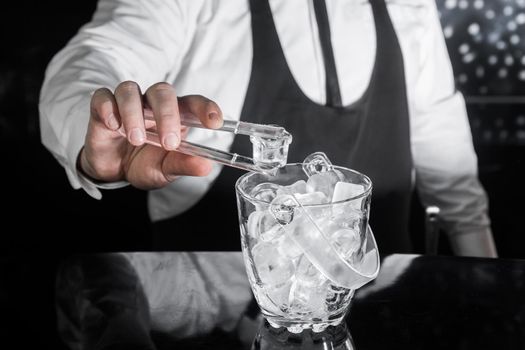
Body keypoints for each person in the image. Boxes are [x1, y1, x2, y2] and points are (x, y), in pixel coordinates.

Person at [39, 0, 497, 257]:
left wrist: (483, 275)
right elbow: (96, 57)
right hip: (210, 324)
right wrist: (100, 120)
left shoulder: (408, 6)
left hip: (385, 312)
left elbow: (447, 154)